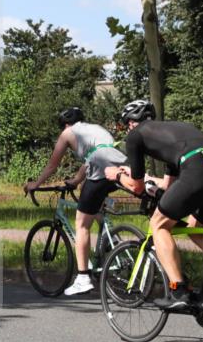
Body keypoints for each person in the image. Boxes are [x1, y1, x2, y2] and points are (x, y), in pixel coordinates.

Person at [104, 100, 203, 309]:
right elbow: (170, 188)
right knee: (196, 230)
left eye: (126, 125)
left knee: (158, 225)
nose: (128, 129)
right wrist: (152, 180)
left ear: (131, 122)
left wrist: (117, 175)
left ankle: (178, 290)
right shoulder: (174, 131)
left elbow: (137, 187)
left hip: (197, 169)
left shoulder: (135, 136)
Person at [23, 107, 129, 295]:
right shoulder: (95, 129)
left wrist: (35, 184)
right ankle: (111, 242)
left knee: (81, 224)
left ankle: (82, 277)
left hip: (100, 168)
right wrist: (76, 180)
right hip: (121, 165)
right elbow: (94, 156)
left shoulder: (67, 133)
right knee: (93, 207)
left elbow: (52, 165)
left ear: (64, 124)